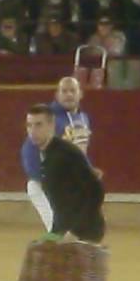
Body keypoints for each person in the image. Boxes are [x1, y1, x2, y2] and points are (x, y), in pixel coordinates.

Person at [23, 104, 105, 242]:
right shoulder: (47, 154)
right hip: (65, 229)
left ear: (51, 125)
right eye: (29, 125)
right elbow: (61, 204)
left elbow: (96, 191)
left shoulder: (66, 153)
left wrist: (75, 231)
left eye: (38, 125)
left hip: (84, 232)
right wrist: (55, 232)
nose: (33, 131)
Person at [22, 77, 94, 231]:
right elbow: (29, 148)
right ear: (57, 95)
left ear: (80, 94)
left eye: (72, 91)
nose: (68, 95)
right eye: (64, 91)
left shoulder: (83, 118)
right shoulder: (48, 118)